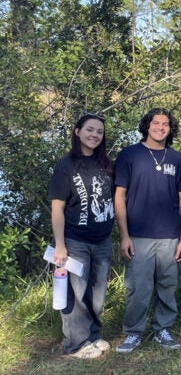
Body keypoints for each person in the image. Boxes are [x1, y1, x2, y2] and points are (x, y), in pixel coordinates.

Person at [115, 108, 181, 353]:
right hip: (138, 235)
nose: (160, 127)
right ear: (147, 125)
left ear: (171, 129)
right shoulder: (130, 154)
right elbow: (119, 196)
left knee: (167, 286)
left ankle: (162, 329)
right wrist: (124, 236)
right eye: (156, 123)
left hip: (170, 235)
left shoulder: (177, 159)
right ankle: (133, 333)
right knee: (138, 288)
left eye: (165, 124)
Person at [48, 112, 115, 358]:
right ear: (77, 132)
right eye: (90, 129)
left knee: (97, 293)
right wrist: (60, 245)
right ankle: (75, 344)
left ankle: (93, 336)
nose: (94, 135)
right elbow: (57, 207)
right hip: (75, 241)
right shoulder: (66, 165)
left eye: (99, 132)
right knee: (76, 294)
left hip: (102, 240)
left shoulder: (106, 164)